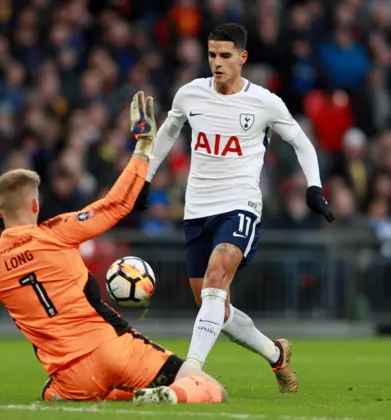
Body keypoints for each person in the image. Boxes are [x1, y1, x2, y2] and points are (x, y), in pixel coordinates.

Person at [0, 92, 227, 405]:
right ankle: (170, 394)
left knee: (53, 394)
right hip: (112, 349)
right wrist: (142, 148)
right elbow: (117, 203)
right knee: (210, 389)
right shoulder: (57, 233)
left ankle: (117, 393)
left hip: (70, 377)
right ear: (36, 207)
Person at [134, 23, 335, 393]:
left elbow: (302, 142)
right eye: (212, 55)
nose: (217, 62)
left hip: (240, 204)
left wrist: (314, 187)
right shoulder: (190, 94)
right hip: (196, 210)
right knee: (214, 306)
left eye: (225, 55)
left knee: (215, 280)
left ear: (242, 58)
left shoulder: (264, 102)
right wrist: (145, 176)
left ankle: (191, 370)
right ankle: (276, 354)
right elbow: (167, 131)